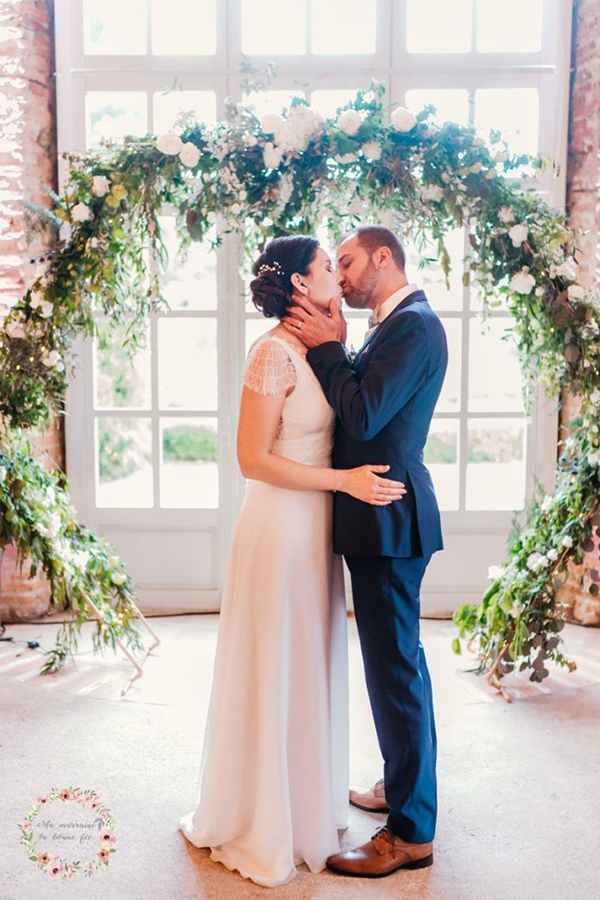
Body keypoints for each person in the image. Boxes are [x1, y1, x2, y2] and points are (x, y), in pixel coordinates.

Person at [178, 234, 407, 888]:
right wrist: (344, 483)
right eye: (326, 268)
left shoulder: (319, 346)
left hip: (318, 535)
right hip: (279, 529)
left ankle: (309, 810)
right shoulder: (272, 354)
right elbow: (252, 459)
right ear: (301, 285)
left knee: (310, 663)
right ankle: (261, 820)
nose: (339, 274)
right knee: (276, 664)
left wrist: (335, 337)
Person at [282, 225, 448, 879]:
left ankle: (409, 832)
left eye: (347, 262)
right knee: (401, 667)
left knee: (394, 675)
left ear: (385, 257)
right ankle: (406, 785)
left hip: (387, 518)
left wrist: (327, 350)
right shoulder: (395, 323)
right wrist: (345, 349)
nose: (341, 275)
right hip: (379, 516)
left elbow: (364, 415)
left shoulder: (413, 325)